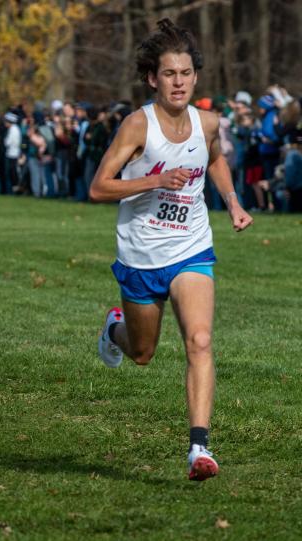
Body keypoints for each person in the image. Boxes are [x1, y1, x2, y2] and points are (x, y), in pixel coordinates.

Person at [89, 19, 252, 482]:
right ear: (152, 78)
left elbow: (215, 158)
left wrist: (233, 202)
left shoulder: (208, 123)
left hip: (191, 247)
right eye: (168, 74)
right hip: (141, 255)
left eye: (185, 73)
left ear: (195, 77)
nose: (177, 82)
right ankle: (113, 330)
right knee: (142, 354)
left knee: (200, 340)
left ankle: (199, 448)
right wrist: (156, 179)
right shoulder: (137, 125)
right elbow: (99, 188)